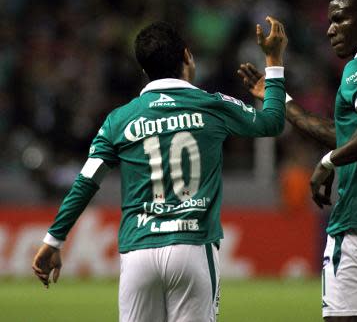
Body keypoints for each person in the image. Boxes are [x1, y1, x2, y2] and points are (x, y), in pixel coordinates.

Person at [32, 17, 288, 322]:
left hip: (139, 250)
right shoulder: (213, 105)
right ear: (187, 56)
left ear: (144, 71)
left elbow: (86, 182)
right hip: (192, 246)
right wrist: (273, 62)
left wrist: (53, 241)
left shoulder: (120, 119)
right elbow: (273, 121)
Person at [238, 0, 357, 322]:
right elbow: (347, 134)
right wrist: (276, 92)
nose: (329, 29)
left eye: (339, 19)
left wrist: (328, 162)